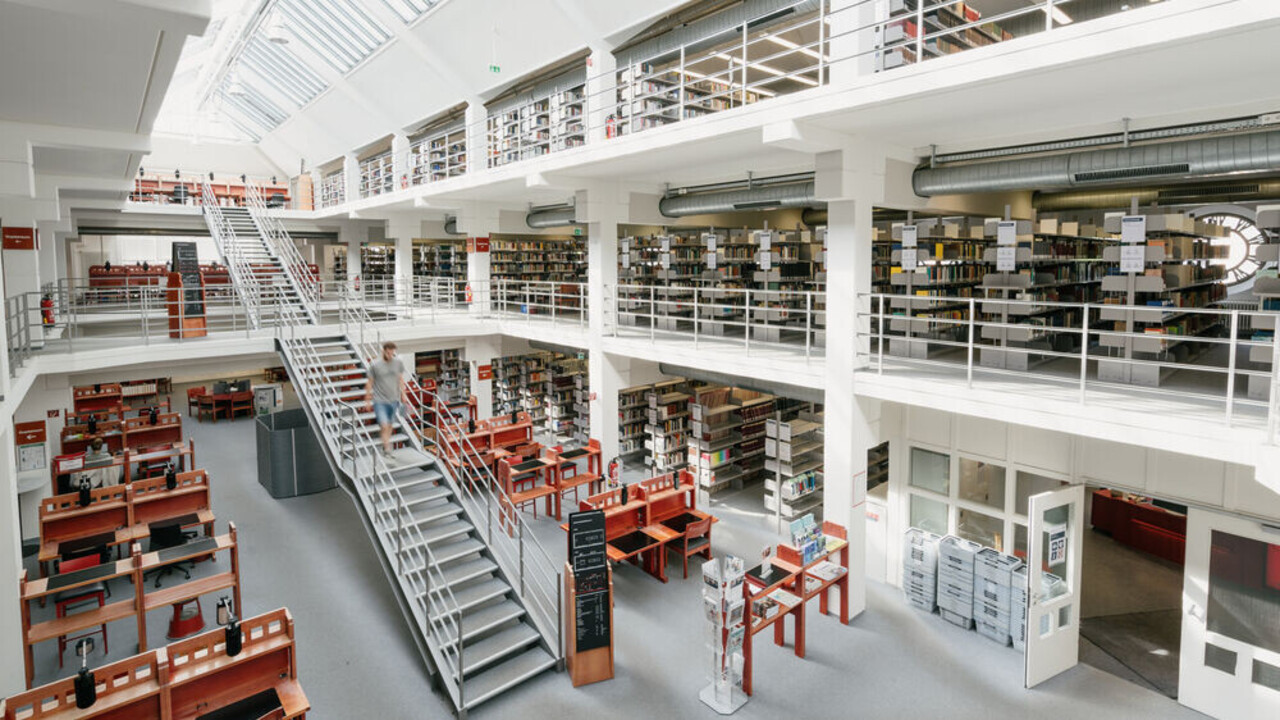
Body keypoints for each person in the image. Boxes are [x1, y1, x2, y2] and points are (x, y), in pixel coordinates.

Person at [364, 341, 408, 459]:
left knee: (389, 425)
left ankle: (385, 444)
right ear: (383, 351)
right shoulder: (375, 365)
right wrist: (367, 400)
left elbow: (400, 379)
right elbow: (369, 383)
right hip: (379, 401)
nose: (390, 356)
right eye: (388, 353)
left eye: (392, 353)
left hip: (393, 400)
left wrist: (403, 394)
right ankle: (387, 448)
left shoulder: (398, 363)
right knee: (384, 425)